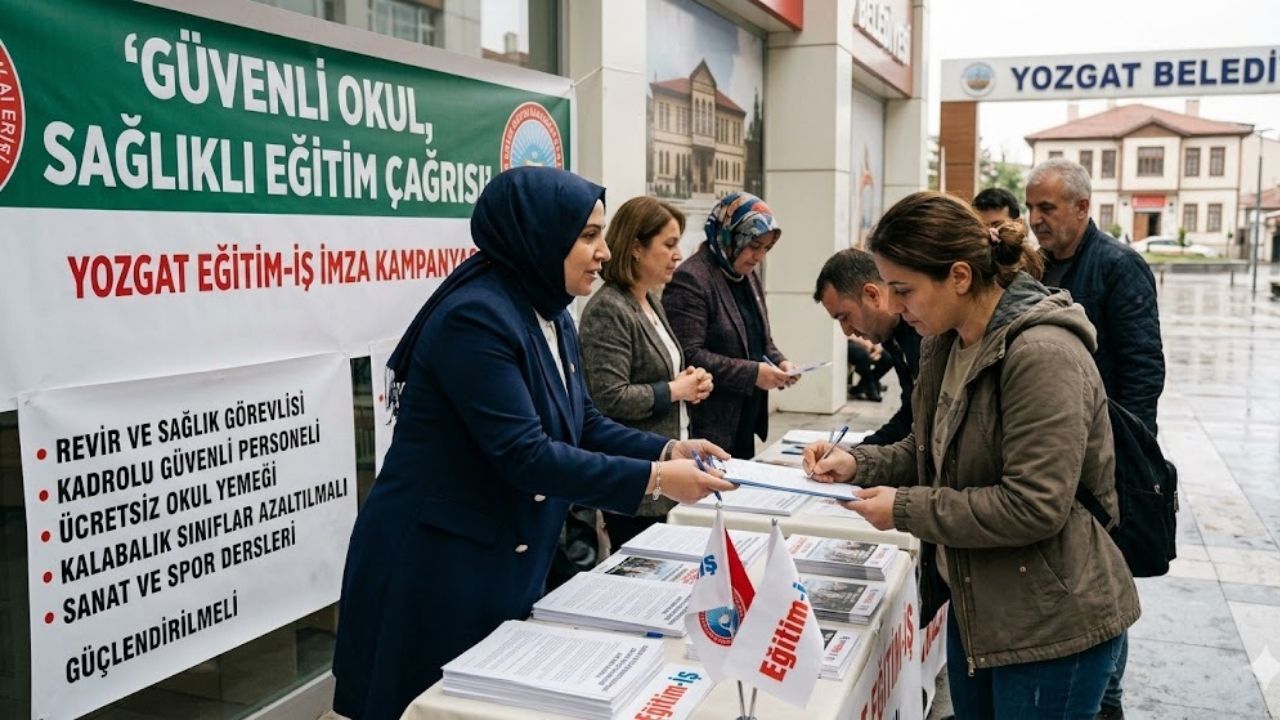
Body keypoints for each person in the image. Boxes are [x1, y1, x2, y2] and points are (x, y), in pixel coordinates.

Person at [331, 167, 735, 720]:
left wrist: (666, 452)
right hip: (436, 565)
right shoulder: (476, 318)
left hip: (496, 557)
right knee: (429, 704)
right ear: (538, 235)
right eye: (588, 236)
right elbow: (525, 454)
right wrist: (657, 481)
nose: (604, 252)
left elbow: (582, 420)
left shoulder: (550, 311)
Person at [804, 191, 1138, 720]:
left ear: (959, 276)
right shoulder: (945, 341)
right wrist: (858, 463)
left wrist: (904, 508)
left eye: (903, 290)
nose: (894, 307)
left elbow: (1034, 504)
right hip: (980, 603)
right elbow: (928, 447)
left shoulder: (1042, 353)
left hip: (1050, 622)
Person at [1026, 159, 1165, 719]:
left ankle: (1107, 699)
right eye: (1031, 208)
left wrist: (1125, 455)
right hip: (1054, 450)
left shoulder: (1118, 266)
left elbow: (1143, 367)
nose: (1035, 219)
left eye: (1047, 208)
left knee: (1104, 579)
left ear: (1083, 208)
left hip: (1105, 456)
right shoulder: (1039, 266)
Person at [579, 196, 714, 549]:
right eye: (668, 244)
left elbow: (660, 371)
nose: (678, 255)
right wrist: (675, 389)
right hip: (636, 483)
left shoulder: (650, 298)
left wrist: (691, 380)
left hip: (668, 472)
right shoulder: (609, 309)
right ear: (636, 247)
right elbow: (609, 397)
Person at [663, 192, 796, 459]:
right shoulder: (692, 279)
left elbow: (759, 337)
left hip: (744, 417)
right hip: (710, 424)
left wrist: (780, 363)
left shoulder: (745, 274)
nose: (759, 256)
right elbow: (689, 354)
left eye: (766, 248)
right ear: (730, 235)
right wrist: (753, 374)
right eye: (754, 245)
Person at [813, 248, 922, 446]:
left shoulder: (924, 332)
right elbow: (913, 413)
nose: (846, 331)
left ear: (872, 295)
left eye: (845, 317)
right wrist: (858, 455)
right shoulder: (894, 336)